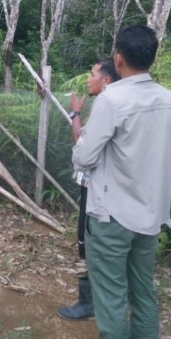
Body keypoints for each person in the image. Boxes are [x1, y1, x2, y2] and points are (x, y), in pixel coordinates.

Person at [73, 25, 171, 339]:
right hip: (151, 217)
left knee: (110, 298)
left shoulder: (112, 99)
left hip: (111, 216)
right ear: (153, 58)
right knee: (143, 292)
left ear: (118, 58)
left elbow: (85, 157)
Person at [58, 58, 120, 321]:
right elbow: (82, 138)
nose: (88, 79)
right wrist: (76, 114)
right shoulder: (109, 106)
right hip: (101, 189)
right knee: (91, 242)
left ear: (106, 79)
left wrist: (75, 113)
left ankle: (91, 305)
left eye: (92, 74)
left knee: (91, 243)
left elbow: (83, 147)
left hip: (98, 190)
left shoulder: (109, 106)